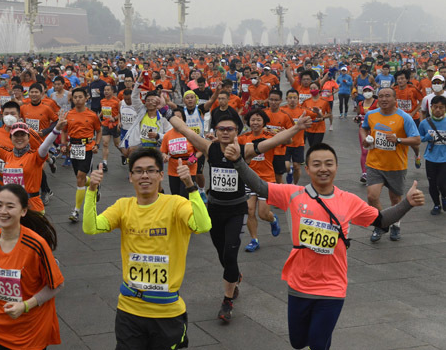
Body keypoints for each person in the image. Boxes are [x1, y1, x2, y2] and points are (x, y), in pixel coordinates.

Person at [225, 142, 424, 350]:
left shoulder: (348, 200)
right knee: (298, 342)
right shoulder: (292, 194)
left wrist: (407, 202)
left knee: (319, 343)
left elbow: (381, 220)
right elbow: (259, 186)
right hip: (299, 283)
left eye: (329, 164)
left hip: (333, 285)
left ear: (336, 167)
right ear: (308, 169)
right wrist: (238, 162)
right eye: (317, 164)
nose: (323, 169)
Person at [162, 103, 311, 322]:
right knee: (223, 255)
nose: (224, 132)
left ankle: (227, 300)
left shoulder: (245, 149)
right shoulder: (209, 147)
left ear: (236, 132)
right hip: (214, 209)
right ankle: (235, 276)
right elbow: (183, 128)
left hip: (236, 210)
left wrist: (297, 128)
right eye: (221, 128)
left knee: (230, 254)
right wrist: (163, 109)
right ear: (216, 130)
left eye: (229, 129)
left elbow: (273, 141)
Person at [82, 149, 211, 349]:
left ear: (161, 175)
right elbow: (91, 227)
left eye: (151, 170)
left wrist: (190, 186)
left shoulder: (176, 204)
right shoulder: (123, 206)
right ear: (130, 177)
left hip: (167, 312)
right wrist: (91, 190)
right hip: (129, 310)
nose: (144, 176)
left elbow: (203, 226)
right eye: (138, 171)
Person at [0, 184, 65, 350]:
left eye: (10, 206)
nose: (3, 211)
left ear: (23, 211)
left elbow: (57, 284)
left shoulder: (36, 245)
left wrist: (25, 306)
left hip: (30, 334)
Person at [361, 87, 421, 242]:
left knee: (395, 200)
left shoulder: (404, 118)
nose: (383, 99)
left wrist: (399, 140)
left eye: (387, 96)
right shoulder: (371, 115)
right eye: (380, 96)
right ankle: (381, 224)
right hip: (374, 163)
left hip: (396, 166)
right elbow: (364, 128)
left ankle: (396, 224)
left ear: (395, 99)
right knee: (372, 196)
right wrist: (365, 140)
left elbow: (416, 139)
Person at [239, 109, 281, 253]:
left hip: (267, 179)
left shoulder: (270, 137)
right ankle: (254, 240)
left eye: (258, 120)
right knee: (250, 211)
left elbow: (289, 141)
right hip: (248, 179)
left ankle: (273, 220)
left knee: (263, 214)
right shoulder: (244, 138)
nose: (255, 123)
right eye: (252, 120)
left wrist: (280, 134)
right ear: (248, 122)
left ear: (264, 122)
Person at [60, 88, 102, 223]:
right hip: (73, 148)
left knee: (80, 177)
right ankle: (95, 184)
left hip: (87, 148)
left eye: (80, 97)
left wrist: (97, 144)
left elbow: (99, 131)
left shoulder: (92, 115)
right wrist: (63, 144)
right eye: (75, 97)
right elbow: (64, 131)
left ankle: (76, 211)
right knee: (80, 177)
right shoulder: (68, 114)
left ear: (86, 98)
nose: (77, 99)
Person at [418, 95, 446, 214]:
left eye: (441, 107)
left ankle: (444, 198)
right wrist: (427, 137)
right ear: (431, 108)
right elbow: (419, 138)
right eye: (435, 107)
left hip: (444, 159)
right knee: (432, 183)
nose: (438, 110)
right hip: (430, 158)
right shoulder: (425, 123)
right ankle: (436, 205)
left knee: (442, 183)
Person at [355, 86, 378, 184]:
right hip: (363, 129)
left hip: (375, 130)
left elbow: (381, 115)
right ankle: (364, 173)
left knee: (375, 151)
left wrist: (371, 113)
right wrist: (357, 118)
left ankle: (375, 171)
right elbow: (359, 115)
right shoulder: (360, 103)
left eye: (369, 91)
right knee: (364, 151)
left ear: (372, 92)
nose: (367, 92)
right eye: (365, 91)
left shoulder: (377, 103)